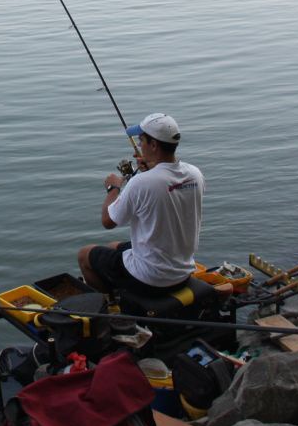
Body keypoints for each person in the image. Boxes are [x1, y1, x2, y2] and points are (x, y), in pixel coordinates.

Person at [78, 113, 204, 296]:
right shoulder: (195, 174)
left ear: (153, 145)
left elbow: (108, 221)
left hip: (151, 279)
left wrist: (113, 188)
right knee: (113, 246)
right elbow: (169, 185)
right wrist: (154, 169)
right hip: (182, 271)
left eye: (141, 140)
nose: (138, 145)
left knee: (84, 255)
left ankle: (110, 305)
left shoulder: (141, 183)